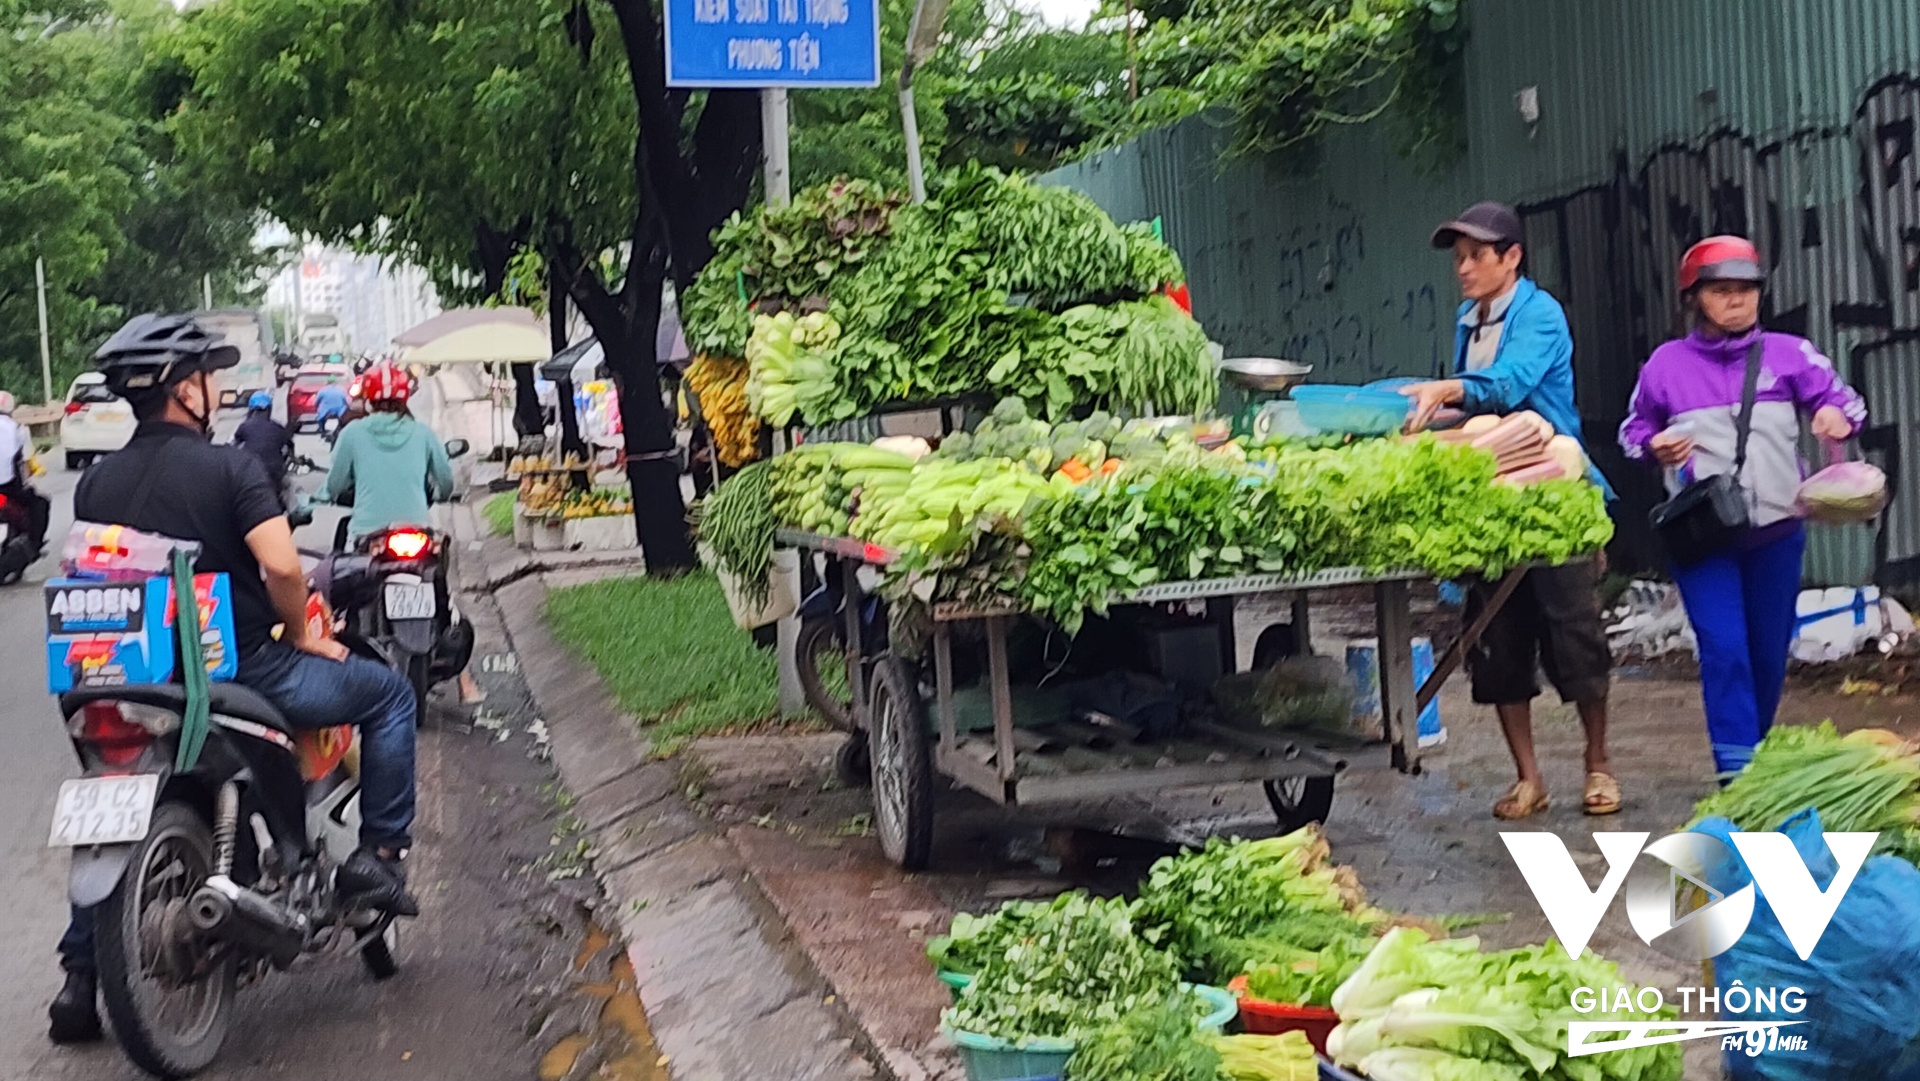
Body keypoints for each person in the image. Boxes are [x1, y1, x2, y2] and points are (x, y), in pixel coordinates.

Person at [49, 314, 419, 1046]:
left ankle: (81, 975)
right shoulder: (230, 469)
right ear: (188, 389)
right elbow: (283, 566)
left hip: (129, 678)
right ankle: (376, 861)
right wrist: (307, 631)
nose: (213, 390)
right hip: (246, 669)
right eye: (208, 378)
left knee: (111, 806)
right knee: (390, 696)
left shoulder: (95, 484)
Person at [1396, 201, 1620, 820]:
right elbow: (1476, 413)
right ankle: (1529, 779)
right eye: (1458, 258)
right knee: (1497, 641)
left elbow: (1510, 384)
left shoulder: (1540, 314)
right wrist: (1421, 417)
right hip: (1495, 498)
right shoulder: (1469, 319)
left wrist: (1449, 388)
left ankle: (1598, 765)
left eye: (1476, 256)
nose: (1463, 269)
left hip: (1553, 492)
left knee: (1575, 636)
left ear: (1512, 257)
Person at [1619, 236, 1866, 779]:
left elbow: (1845, 401)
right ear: (1694, 299)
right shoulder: (1665, 366)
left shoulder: (1790, 354)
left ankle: (1754, 767)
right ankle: (1736, 777)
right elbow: (1632, 432)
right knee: (1725, 650)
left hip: (1776, 535)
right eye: (1721, 291)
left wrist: (1833, 416)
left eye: (1746, 290)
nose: (1736, 301)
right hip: (1702, 539)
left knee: (1767, 656)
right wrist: (1653, 446)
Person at [322, 361, 453, 539]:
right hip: (418, 528)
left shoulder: (351, 434)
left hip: (367, 532)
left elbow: (334, 485)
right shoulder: (423, 433)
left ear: (368, 401)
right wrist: (440, 495)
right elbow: (445, 480)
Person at [0, 391, 50, 554]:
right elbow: (28, 460)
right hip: (8, 488)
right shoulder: (18, 429)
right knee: (40, 503)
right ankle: (34, 545)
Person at [233, 389, 295, 498]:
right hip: (274, 471)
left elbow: (235, 447)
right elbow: (290, 445)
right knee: (289, 487)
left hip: (250, 471)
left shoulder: (244, 427)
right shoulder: (277, 428)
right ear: (269, 409)